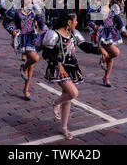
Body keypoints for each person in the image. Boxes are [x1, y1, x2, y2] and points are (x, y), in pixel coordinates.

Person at [41, 10, 100, 140]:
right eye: (76, 20)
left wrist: (98, 50)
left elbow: (84, 46)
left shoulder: (74, 33)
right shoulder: (53, 34)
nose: (77, 22)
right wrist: (58, 64)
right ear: (69, 22)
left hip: (71, 68)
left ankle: (64, 127)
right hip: (58, 69)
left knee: (67, 98)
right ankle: (55, 102)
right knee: (73, 93)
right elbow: (46, 53)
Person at [3, 0, 48, 101]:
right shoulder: (14, 9)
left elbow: (41, 21)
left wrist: (45, 30)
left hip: (33, 37)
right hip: (22, 38)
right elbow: (6, 22)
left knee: (32, 65)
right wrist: (12, 30)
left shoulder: (34, 8)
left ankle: (26, 89)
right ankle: (23, 67)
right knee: (35, 58)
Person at [88, 0, 127, 87]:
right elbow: (90, 22)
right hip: (101, 34)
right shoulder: (98, 9)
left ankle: (106, 77)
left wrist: (123, 30)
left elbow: (118, 20)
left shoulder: (112, 9)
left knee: (111, 57)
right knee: (116, 52)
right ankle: (103, 59)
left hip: (110, 35)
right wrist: (95, 26)